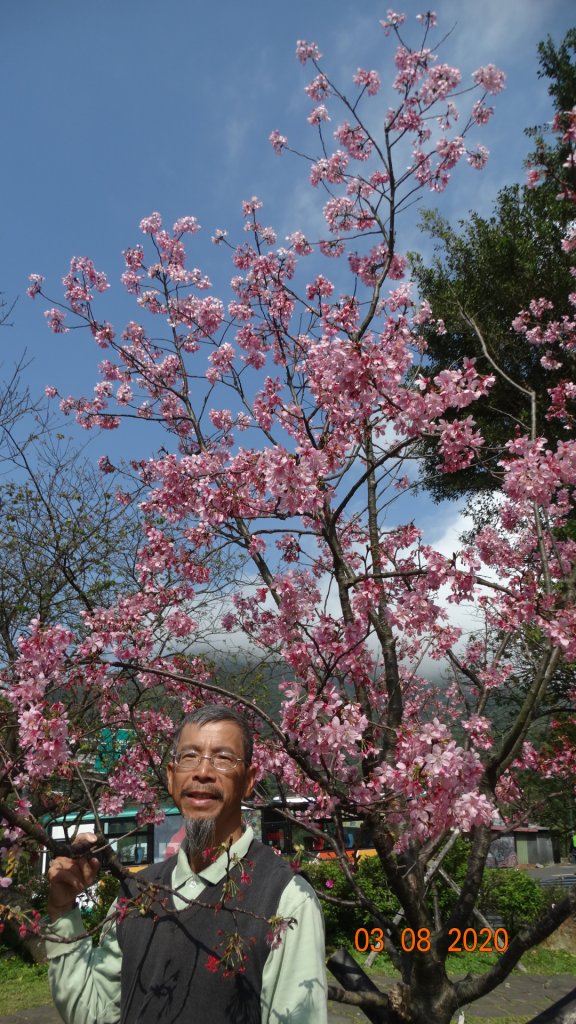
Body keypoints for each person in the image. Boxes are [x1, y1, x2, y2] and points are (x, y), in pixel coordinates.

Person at [46, 704, 327, 1023]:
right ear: (171, 777)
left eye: (223, 758)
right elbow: (95, 1015)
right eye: (189, 756)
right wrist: (62, 911)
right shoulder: (135, 895)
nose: (203, 772)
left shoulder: (286, 900)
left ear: (249, 780)